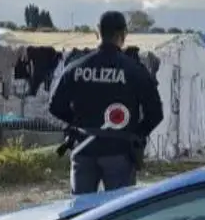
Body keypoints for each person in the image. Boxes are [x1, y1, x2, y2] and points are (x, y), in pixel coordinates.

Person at [48, 10, 163, 194]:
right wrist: (135, 134)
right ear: (123, 35)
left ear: (97, 32)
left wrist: (78, 123)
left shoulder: (75, 68)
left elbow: (55, 107)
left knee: (80, 213)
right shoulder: (134, 70)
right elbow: (156, 113)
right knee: (118, 212)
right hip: (119, 152)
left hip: (84, 149)